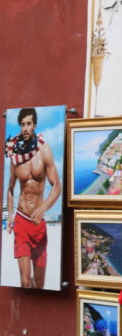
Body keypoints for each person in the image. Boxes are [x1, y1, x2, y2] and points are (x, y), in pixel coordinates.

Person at [5, 107, 61, 288]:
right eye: (22, 125)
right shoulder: (15, 157)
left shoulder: (44, 151)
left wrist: (44, 207)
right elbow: (10, 189)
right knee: (24, 281)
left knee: (39, 284)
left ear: (35, 125)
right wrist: (11, 215)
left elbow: (57, 187)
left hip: (38, 224)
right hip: (21, 220)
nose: (25, 128)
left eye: (29, 124)